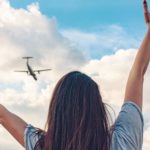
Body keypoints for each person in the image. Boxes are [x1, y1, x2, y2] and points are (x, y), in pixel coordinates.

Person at [0, 2, 149, 150]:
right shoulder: (123, 140)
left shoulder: (42, 146)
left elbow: (3, 115)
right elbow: (138, 73)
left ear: (56, 111)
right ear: (98, 107)